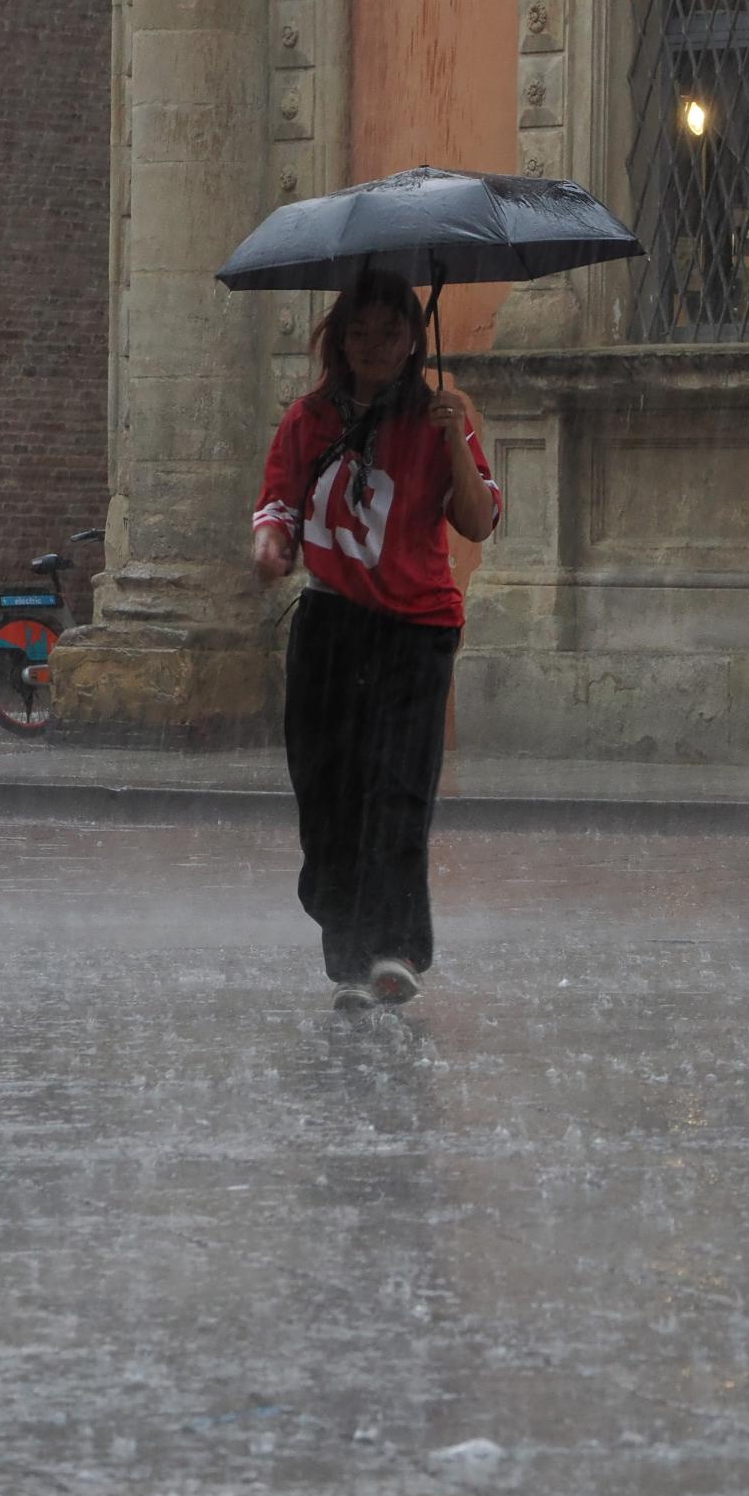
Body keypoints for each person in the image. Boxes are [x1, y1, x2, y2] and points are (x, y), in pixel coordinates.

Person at [250, 269, 501, 1013]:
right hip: (330, 628)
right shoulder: (310, 420)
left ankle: (392, 950)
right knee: (327, 796)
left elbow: (480, 519)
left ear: (412, 341)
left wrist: (455, 434)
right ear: (339, 338)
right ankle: (348, 949)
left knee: (396, 791)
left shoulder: (436, 416)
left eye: (391, 332)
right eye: (360, 331)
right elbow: (279, 504)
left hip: (415, 630)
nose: (374, 345)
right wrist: (269, 545)